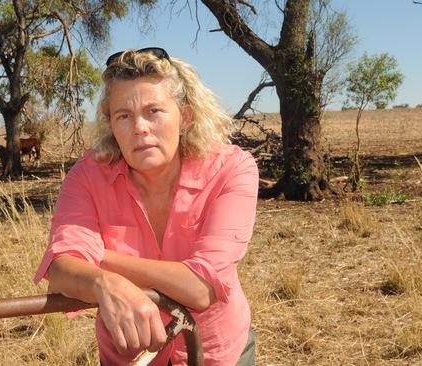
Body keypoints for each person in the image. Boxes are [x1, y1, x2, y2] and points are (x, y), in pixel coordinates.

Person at [34, 47, 258, 365]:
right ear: (111, 124)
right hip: (129, 354)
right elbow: (61, 269)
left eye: (154, 111)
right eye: (124, 115)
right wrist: (102, 282)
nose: (139, 127)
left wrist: (100, 261)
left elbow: (201, 288)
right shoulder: (88, 176)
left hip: (214, 351)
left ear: (185, 117)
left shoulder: (231, 169)